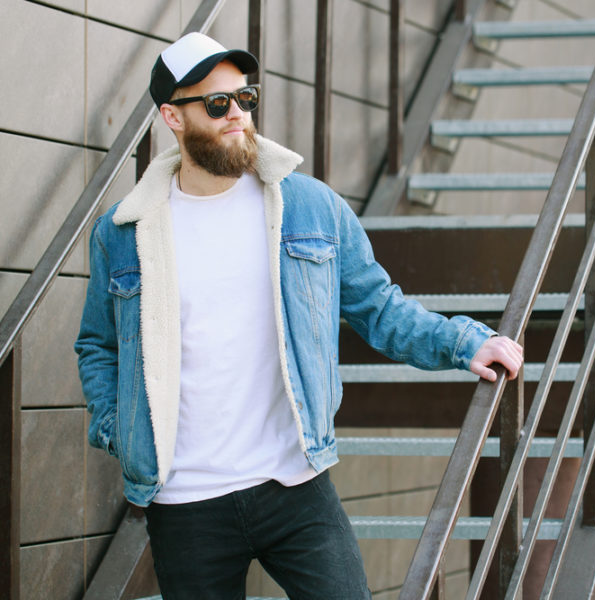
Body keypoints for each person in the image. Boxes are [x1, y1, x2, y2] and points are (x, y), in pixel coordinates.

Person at [75, 32, 523, 600]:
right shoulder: (124, 231)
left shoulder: (308, 206)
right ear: (173, 117)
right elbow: (97, 346)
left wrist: (462, 343)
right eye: (218, 104)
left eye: (246, 98)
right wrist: (121, 430)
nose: (238, 114)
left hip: (294, 482)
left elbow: (378, 307)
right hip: (184, 502)